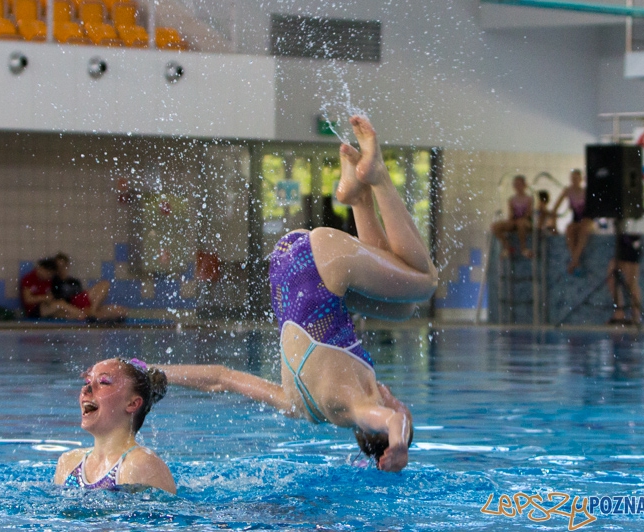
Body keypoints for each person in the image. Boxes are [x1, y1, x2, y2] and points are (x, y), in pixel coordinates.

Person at [158, 116, 438, 473]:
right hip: (287, 266)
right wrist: (153, 370)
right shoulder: (299, 406)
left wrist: (399, 448)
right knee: (403, 308)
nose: (396, 401)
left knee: (426, 282)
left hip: (319, 262)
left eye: (400, 406)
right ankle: (358, 198)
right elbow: (221, 378)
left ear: (376, 425)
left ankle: (377, 178)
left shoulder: (359, 409)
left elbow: (395, 426)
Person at [54, 358, 176, 493]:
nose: (86, 390)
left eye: (104, 382)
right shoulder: (68, 463)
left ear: (132, 404)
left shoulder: (142, 464)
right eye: (87, 381)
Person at [53, 253, 128, 322]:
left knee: (106, 285)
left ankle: (94, 312)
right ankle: (96, 314)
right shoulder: (54, 281)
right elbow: (57, 303)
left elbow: (82, 295)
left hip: (83, 303)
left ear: (67, 266)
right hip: (71, 308)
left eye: (63, 266)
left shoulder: (74, 281)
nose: (61, 269)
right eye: (58, 266)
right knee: (116, 313)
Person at [552, 169, 594, 274]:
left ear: (580, 179)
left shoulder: (586, 192)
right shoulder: (568, 191)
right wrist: (554, 226)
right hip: (576, 219)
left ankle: (574, 261)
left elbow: (593, 211)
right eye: (572, 178)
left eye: (576, 178)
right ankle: (575, 261)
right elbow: (555, 209)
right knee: (570, 229)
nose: (574, 180)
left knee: (583, 228)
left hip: (587, 220)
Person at [20, 258, 86, 320]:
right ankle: (84, 315)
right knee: (61, 303)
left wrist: (49, 299)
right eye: (49, 274)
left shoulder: (47, 281)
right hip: (33, 310)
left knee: (64, 314)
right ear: (42, 269)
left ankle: (85, 318)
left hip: (44, 307)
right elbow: (27, 299)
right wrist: (44, 298)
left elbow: (49, 296)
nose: (50, 277)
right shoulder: (29, 278)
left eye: (51, 275)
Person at [491, 175, 533, 259]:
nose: (518, 187)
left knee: (520, 223)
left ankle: (523, 248)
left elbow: (528, 214)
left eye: (520, 184)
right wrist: (510, 222)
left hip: (526, 222)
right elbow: (511, 214)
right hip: (515, 221)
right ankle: (506, 247)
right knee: (495, 226)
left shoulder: (529, 199)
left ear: (525, 185)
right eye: (516, 184)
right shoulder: (512, 199)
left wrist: (520, 220)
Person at [607, 233, 643, 325]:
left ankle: (635, 316)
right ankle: (619, 312)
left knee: (631, 282)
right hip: (623, 239)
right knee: (612, 276)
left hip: (632, 239)